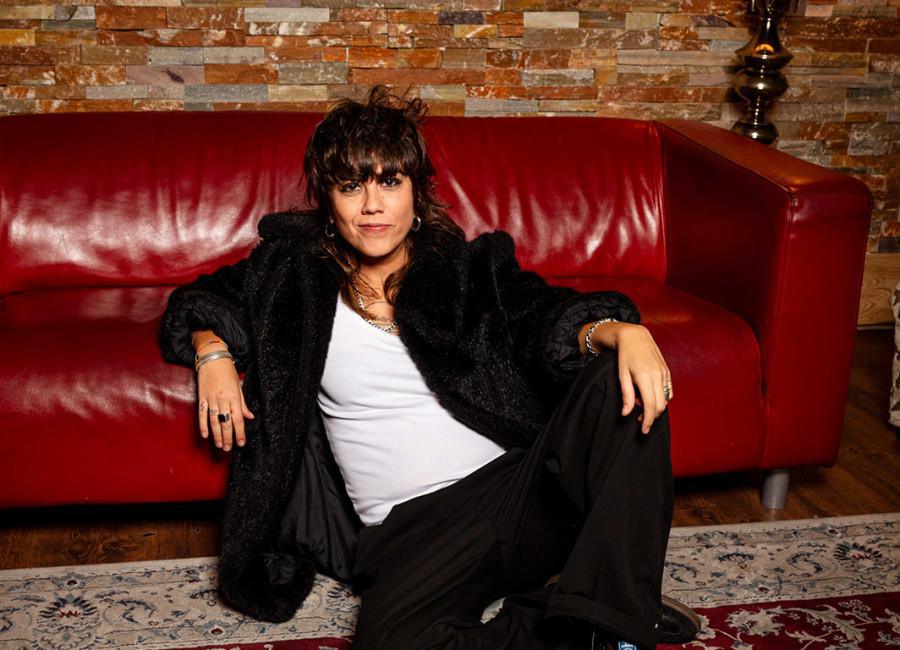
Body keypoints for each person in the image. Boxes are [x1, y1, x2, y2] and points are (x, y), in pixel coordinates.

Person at [159, 85, 698, 650]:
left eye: (390, 182)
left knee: (615, 377)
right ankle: (589, 617)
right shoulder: (292, 278)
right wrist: (212, 351)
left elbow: (540, 313)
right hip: (412, 531)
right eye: (351, 186)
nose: (372, 205)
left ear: (416, 192)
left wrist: (615, 330)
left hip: (516, 493)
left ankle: (610, 612)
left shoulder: (464, 269)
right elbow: (202, 299)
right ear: (328, 200)